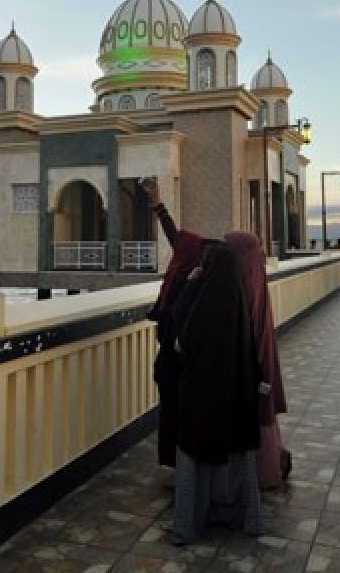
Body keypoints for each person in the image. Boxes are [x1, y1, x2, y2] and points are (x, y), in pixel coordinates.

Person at [169, 242, 264, 545]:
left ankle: (191, 521)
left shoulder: (200, 298)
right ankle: (236, 514)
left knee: (195, 456)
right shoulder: (238, 300)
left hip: (200, 396)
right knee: (235, 456)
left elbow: (180, 336)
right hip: (235, 397)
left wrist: (191, 283)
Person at [141, 177, 204, 470]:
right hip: (176, 359)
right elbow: (174, 234)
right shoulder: (189, 271)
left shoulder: (184, 282)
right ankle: (178, 461)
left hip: (177, 360)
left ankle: (176, 463)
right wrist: (158, 204)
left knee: (174, 411)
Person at [224, 230, 292, 489]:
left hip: (250, 362)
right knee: (260, 411)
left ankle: (260, 472)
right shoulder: (254, 273)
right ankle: (270, 465)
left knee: (252, 412)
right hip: (257, 359)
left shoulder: (245, 281)